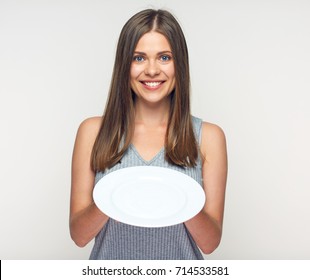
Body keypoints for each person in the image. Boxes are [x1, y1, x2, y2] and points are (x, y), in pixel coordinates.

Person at [70, 9, 227, 260]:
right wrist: (118, 194)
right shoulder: (93, 132)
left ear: (180, 64)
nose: (152, 70)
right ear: (125, 65)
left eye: (164, 57)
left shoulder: (208, 137)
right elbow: (79, 235)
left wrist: (175, 196)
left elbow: (209, 243)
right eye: (139, 58)